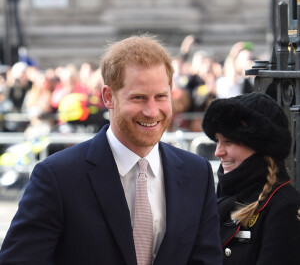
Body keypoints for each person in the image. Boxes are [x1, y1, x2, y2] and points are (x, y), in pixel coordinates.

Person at [0, 35, 222, 265]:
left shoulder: (197, 174)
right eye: (138, 98)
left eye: (160, 97)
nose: (152, 110)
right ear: (108, 97)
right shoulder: (58, 177)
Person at [202, 92, 300, 265]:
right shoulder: (222, 196)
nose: (218, 152)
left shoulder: (285, 207)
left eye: (229, 142)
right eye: (217, 141)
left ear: (260, 146)